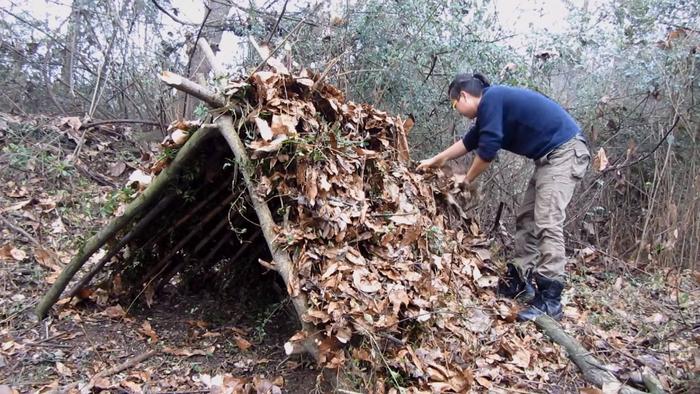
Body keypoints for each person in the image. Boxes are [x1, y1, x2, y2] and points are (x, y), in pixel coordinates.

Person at [417, 73, 590, 321]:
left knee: (547, 220)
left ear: (464, 96)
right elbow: (470, 141)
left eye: (455, 105)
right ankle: (519, 280)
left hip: (565, 152)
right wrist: (435, 161)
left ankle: (551, 300)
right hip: (550, 157)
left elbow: (488, 150)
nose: (457, 111)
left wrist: (466, 179)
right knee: (527, 218)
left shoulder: (492, 99)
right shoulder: (492, 106)